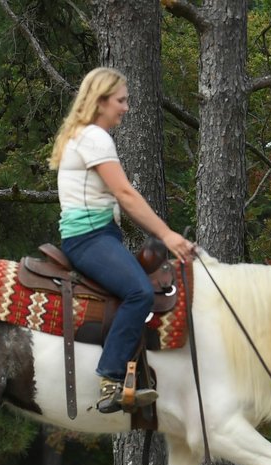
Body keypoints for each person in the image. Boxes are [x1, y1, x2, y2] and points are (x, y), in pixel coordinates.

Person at [49, 67, 195, 413]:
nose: (126, 108)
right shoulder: (94, 138)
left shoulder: (80, 136)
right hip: (90, 238)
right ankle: (110, 381)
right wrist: (167, 234)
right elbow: (125, 195)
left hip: (95, 235)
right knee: (139, 292)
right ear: (100, 102)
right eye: (121, 100)